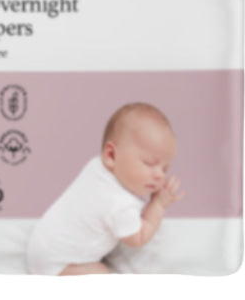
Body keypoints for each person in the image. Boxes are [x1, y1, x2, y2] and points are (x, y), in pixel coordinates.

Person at [26, 102, 184, 275]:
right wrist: (158, 205)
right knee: (103, 274)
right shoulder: (120, 205)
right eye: (149, 163)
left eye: (165, 169)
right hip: (57, 264)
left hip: (41, 243)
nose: (159, 175)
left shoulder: (96, 167)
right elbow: (138, 238)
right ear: (111, 155)